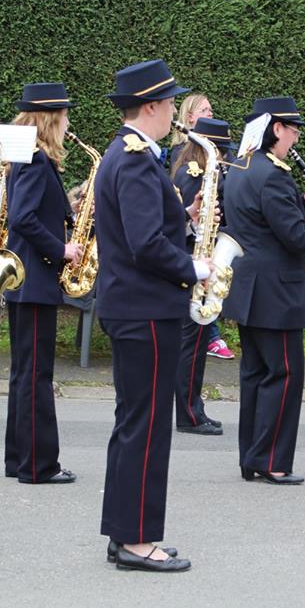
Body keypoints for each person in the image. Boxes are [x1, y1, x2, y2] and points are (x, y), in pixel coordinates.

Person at [96, 59, 205, 572]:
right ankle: (138, 540)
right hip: (146, 310)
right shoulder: (138, 158)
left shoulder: (126, 154)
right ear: (152, 106)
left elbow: (141, 227)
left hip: (132, 307)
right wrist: (194, 267)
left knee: (133, 422)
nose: (173, 116)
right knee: (146, 427)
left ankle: (125, 532)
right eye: (169, 105)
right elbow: (144, 244)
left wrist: (180, 216)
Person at [222, 96, 305, 485]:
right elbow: (294, 237)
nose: (295, 138)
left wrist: (304, 204)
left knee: (255, 374)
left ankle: (252, 457)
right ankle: (272, 460)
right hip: (276, 291)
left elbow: (264, 222)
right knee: (283, 375)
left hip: (251, 288)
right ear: (277, 129)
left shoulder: (241, 168)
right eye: (293, 130)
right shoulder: (274, 174)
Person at [3, 83, 83, 484]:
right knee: (37, 374)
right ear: (51, 118)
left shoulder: (27, 157)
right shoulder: (35, 159)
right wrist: (62, 250)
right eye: (65, 115)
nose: (69, 123)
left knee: (24, 371)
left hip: (25, 278)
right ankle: (38, 464)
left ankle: (17, 457)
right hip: (35, 278)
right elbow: (23, 218)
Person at [169, 116, 235, 436]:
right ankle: (188, 413)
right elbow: (185, 222)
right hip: (192, 261)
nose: (223, 158)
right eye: (221, 151)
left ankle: (195, 408)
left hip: (197, 260)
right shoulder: (194, 173)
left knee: (195, 341)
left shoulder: (196, 169)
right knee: (191, 343)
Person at [168, 93, 234, 360]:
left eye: (211, 109)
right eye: (204, 110)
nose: (210, 113)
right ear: (190, 118)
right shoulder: (189, 164)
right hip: (194, 247)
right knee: (190, 344)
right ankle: (189, 401)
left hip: (203, 245)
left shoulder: (210, 163)